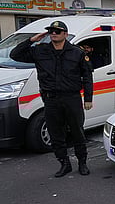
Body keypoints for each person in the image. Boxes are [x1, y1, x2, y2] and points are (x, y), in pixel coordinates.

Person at [10, 21, 94, 177]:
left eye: (57, 31)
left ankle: (82, 163)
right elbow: (15, 55)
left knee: (77, 132)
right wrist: (31, 40)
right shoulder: (40, 51)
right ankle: (64, 164)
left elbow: (87, 77)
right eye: (51, 31)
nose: (53, 33)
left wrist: (88, 98)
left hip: (72, 99)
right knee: (56, 134)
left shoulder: (77, 53)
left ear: (65, 34)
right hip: (51, 100)